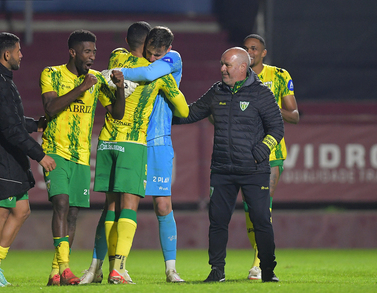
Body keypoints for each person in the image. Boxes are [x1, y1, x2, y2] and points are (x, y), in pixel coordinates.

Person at [80, 26, 185, 284]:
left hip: (156, 140)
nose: (152, 58)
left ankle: (171, 270)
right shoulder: (125, 56)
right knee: (111, 207)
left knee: (162, 204)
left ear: (167, 51)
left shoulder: (172, 60)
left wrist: (118, 75)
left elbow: (149, 72)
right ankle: (97, 267)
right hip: (132, 139)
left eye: (157, 54)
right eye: (149, 52)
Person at [173, 47, 284, 283]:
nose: (222, 69)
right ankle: (217, 270)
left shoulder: (262, 94)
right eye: (222, 64)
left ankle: (267, 270)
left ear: (243, 68)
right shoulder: (217, 91)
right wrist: (162, 115)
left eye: (227, 65)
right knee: (218, 220)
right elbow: (190, 113)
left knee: (262, 220)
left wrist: (260, 152)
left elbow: (277, 128)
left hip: (254, 170)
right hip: (222, 169)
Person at [39, 29, 125, 286]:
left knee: (73, 213)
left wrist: (120, 89)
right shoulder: (51, 73)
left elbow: (117, 113)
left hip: (81, 155)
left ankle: (56, 273)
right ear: (73, 52)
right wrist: (81, 87)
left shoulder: (96, 79)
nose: (92, 57)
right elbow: (51, 107)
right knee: (61, 204)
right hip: (55, 150)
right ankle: (65, 268)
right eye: (87, 52)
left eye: (94, 52)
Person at [0, 32, 56, 287]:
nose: (22, 54)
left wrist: (34, 124)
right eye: (18, 51)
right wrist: (39, 155)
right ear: (6, 54)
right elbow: (8, 129)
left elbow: (10, 119)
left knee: (21, 210)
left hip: (7, 157)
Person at [242, 33, 299, 280]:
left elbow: (294, 114)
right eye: (246, 49)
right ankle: (259, 257)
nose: (250, 52)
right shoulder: (236, 74)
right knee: (249, 207)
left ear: (263, 53)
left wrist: (270, 107)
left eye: (254, 48)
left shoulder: (278, 75)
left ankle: (258, 263)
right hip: (243, 151)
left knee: (262, 205)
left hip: (272, 151)